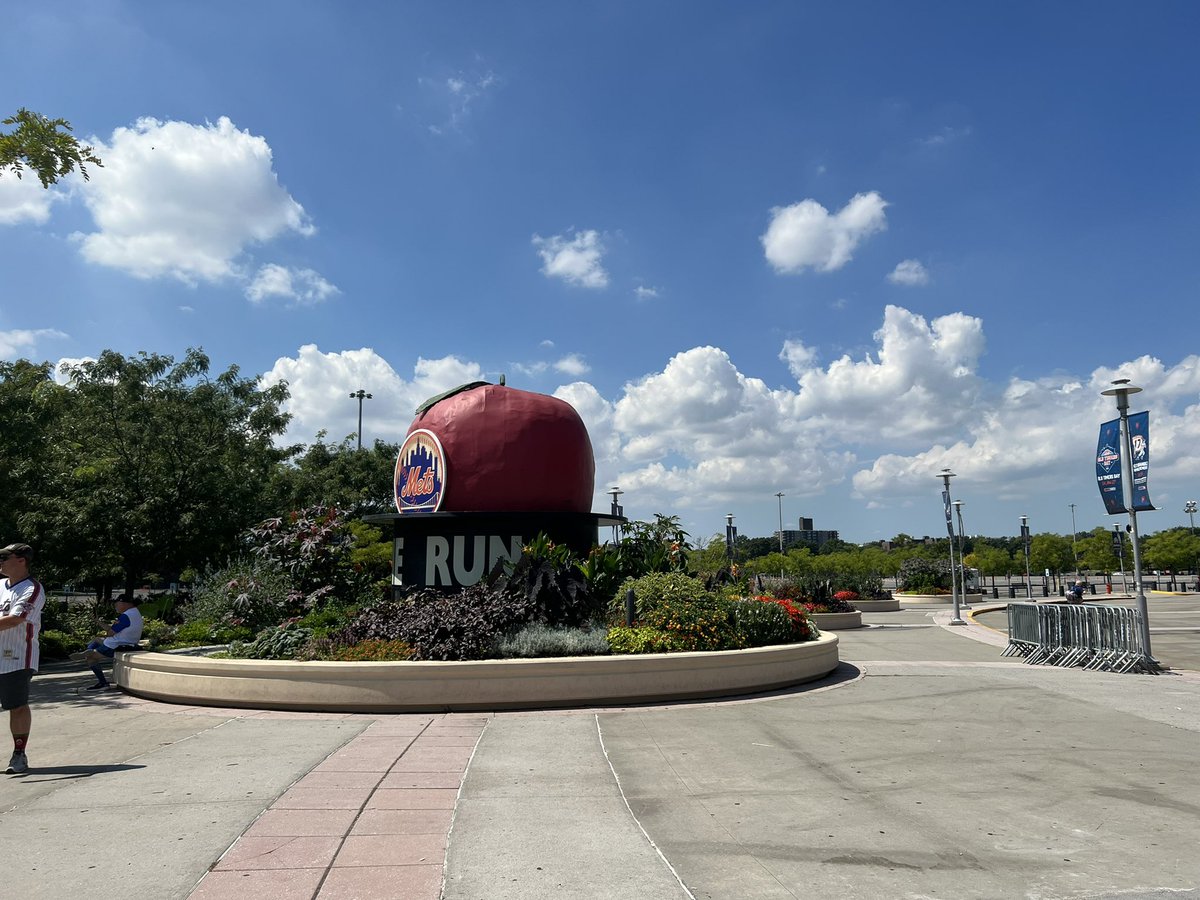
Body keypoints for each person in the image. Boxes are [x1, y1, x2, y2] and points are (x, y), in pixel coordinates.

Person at [0, 543, 45, 775]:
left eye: (4, 557)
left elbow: (16, 618)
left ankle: (19, 753)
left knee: (16, 706)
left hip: (16, 657)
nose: (0, 561)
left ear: (21, 560)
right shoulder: (0, 585)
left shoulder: (32, 588)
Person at [71, 594, 144, 690]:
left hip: (116, 645)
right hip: (126, 642)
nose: (115, 606)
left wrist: (107, 632)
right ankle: (89, 650)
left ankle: (102, 681)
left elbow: (110, 633)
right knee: (97, 639)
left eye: (116, 603)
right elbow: (111, 630)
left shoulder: (126, 616)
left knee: (91, 659)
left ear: (124, 603)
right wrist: (97, 621)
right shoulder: (135, 612)